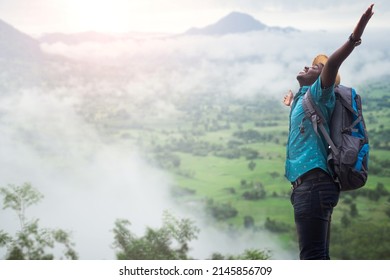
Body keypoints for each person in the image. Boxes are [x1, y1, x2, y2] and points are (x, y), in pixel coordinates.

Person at [284, 4, 374, 260]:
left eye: (315, 67)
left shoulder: (320, 93)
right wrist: (291, 102)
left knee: (312, 258)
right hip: (309, 187)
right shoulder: (306, 98)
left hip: (313, 186)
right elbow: (307, 120)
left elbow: (333, 63)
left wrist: (356, 35)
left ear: (322, 78)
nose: (307, 66)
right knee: (318, 256)